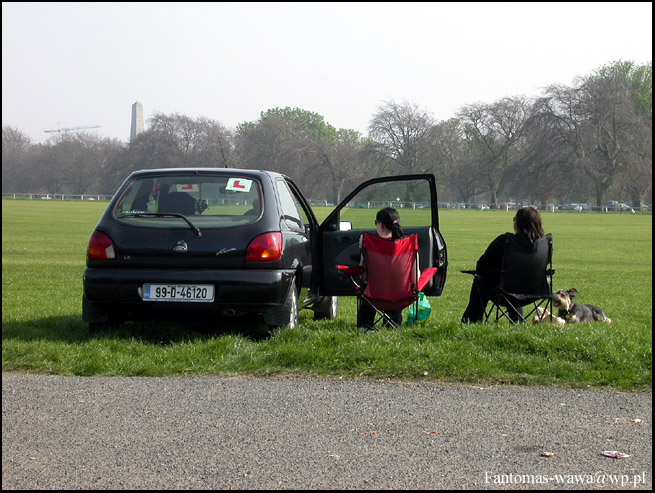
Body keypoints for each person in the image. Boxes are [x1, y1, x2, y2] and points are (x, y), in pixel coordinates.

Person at [461, 206, 545, 323]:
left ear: (519, 224)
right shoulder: (544, 245)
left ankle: (472, 320)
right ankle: (517, 321)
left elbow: (481, 266)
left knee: (480, 280)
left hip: (506, 292)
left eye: (515, 220)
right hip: (535, 292)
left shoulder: (505, 241)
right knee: (515, 282)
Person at [357, 207, 418, 329]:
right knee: (393, 292)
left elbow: (363, 274)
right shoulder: (409, 245)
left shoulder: (368, 242)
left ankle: (365, 325)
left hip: (373, 297)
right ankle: (392, 325)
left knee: (367, 287)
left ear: (381, 225)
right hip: (400, 298)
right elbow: (415, 278)